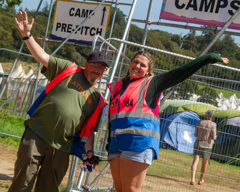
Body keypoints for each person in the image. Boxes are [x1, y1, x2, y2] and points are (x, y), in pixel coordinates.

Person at [9, 11, 109, 192]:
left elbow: (89, 131)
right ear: (86, 65)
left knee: (49, 188)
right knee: (21, 184)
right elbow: (42, 56)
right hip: (37, 134)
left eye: (101, 68)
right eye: (94, 65)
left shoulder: (98, 100)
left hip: (61, 147)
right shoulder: (68, 69)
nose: (97, 70)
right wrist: (27, 35)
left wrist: (89, 153)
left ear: (104, 72)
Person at [107, 50, 228, 192]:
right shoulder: (118, 87)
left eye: (143, 65)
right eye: (135, 62)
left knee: (131, 190)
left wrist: (208, 58)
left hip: (138, 144)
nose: (137, 66)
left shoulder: (152, 83)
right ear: (130, 62)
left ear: (148, 70)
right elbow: (112, 117)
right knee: (119, 189)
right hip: (116, 144)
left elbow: (181, 72)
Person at [190, 110, 217, 185]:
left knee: (195, 162)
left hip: (198, 143)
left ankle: (192, 179)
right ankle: (201, 179)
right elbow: (213, 137)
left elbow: (195, 134)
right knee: (204, 164)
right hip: (207, 146)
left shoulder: (200, 122)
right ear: (213, 116)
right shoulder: (213, 125)